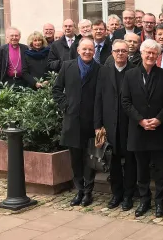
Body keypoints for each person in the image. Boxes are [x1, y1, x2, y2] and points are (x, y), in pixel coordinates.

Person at [121, 39, 163, 218]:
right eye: (147, 52)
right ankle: (144, 200)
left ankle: (159, 202)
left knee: (160, 170)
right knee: (141, 169)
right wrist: (140, 120)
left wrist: (159, 119)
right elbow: (125, 101)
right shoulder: (130, 75)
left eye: (153, 53)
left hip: (159, 129)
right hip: (138, 130)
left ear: (158, 56)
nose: (150, 56)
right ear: (141, 54)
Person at [52, 37, 102, 207]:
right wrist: (66, 106)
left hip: (91, 122)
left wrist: (99, 122)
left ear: (94, 51)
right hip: (72, 121)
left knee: (89, 158)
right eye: (84, 49)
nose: (87, 52)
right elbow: (57, 89)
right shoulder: (68, 66)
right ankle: (79, 190)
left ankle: (88, 192)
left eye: (90, 49)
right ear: (78, 50)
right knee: (75, 159)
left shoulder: (99, 69)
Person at [95, 39, 136, 211]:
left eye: (123, 51)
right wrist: (98, 125)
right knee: (114, 163)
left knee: (131, 163)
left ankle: (128, 196)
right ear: (112, 53)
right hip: (110, 125)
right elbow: (98, 99)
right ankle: (116, 194)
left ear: (128, 53)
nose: (120, 54)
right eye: (117, 51)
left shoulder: (134, 71)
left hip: (130, 125)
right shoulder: (104, 71)